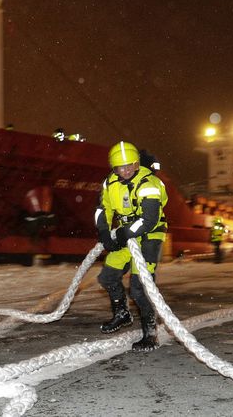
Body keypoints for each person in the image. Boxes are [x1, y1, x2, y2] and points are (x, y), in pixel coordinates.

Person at [95, 141, 168, 352]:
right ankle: (122, 314)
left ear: (137, 164)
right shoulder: (110, 183)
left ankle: (150, 333)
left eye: (130, 165)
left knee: (138, 288)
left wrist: (122, 233)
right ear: (114, 168)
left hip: (149, 237)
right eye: (121, 167)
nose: (126, 170)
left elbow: (149, 220)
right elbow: (103, 209)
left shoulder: (148, 183)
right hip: (126, 236)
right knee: (107, 277)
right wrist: (103, 231)